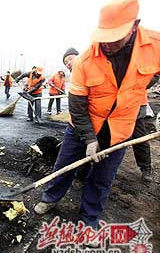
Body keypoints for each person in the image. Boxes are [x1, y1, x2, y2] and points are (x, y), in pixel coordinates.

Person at [34, 0, 160, 230]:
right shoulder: (85, 61)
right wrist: (90, 139)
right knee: (64, 165)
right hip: (82, 125)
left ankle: (89, 218)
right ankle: (50, 198)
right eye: (105, 37)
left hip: (120, 130)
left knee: (102, 178)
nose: (108, 44)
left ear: (134, 26)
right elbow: (77, 105)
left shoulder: (155, 46)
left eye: (115, 38)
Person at [62, 45, 158, 182]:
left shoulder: (112, 60)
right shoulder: (81, 70)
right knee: (91, 139)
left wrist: (135, 87)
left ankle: (145, 167)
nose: (69, 63)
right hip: (106, 113)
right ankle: (85, 170)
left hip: (133, 106)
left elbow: (153, 73)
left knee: (138, 137)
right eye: (66, 63)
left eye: (70, 59)